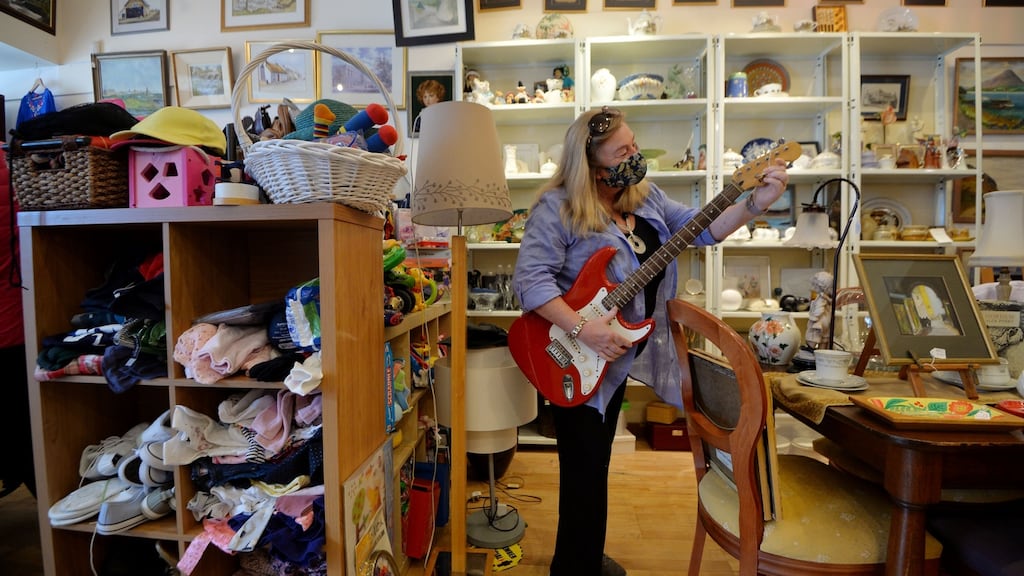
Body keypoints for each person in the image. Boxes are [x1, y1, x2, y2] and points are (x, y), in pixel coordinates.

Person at [512, 107, 788, 576]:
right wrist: (585, 328)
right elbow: (530, 282)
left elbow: (704, 229)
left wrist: (755, 202)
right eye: (623, 151)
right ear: (591, 162)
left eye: (634, 144)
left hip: (617, 356)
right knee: (582, 470)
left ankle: (580, 557)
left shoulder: (644, 196)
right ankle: (574, 567)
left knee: (595, 466)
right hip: (574, 353)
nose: (635, 156)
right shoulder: (557, 209)